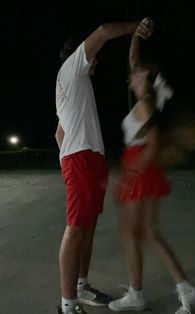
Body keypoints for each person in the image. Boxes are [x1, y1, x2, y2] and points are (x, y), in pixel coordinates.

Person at [108, 18, 195, 313]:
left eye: (136, 73)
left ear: (145, 79)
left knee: (131, 233)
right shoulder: (144, 98)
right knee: (146, 233)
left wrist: (130, 175)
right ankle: (183, 288)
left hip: (139, 167)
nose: (131, 74)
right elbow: (133, 59)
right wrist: (136, 34)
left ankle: (138, 294)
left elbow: (154, 142)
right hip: (141, 168)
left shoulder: (146, 102)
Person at [55, 21, 138, 314]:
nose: (97, 61)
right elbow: (103, 31)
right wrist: (136, 27)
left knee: (87, 228)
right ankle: (67, 306)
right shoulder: (72, 68)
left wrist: (69, 156)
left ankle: (81, 286)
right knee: (76, 229)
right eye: (94, 57)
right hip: (81, 159)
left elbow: (58, 133)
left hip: (86, 158)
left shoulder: (71, 84)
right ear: (80, 53)